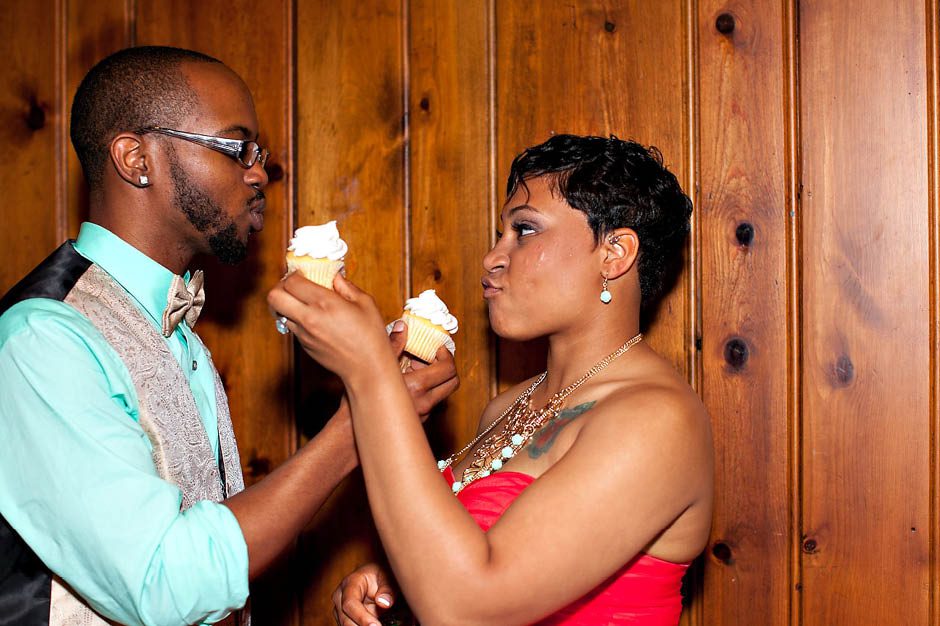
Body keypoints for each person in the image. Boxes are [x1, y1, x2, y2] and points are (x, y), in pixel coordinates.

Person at [0, 46, 458, 626]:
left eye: (258, 152)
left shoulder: (178, 333)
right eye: (236, 147)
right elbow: (164, 581)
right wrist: (365, 414)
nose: (258, 172)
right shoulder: (42, 338)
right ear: (136, 159)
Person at [269, 134, 713, 625]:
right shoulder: (507, 407)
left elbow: (469, 609)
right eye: (501, 233)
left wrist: (372, 374)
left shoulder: (657, 420)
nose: (491, 258)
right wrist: (403, 584)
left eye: (524, 230)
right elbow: (482, 568)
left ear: (615, 253)